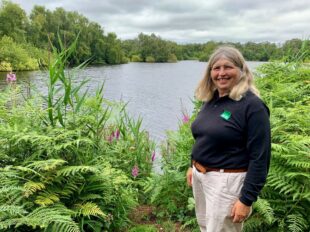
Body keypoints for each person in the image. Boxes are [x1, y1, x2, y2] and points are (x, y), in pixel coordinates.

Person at [186, 46, 271, 232]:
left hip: (226, 183)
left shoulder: (253, 106)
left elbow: (260, 157)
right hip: (202, 177)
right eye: (216, 68)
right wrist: (193, 164)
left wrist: (246, 199)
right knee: (205, 226)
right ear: (210, 73)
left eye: (228, 67)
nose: (221, 73)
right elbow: (204, 136)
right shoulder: (212, 99)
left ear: (241, 70)